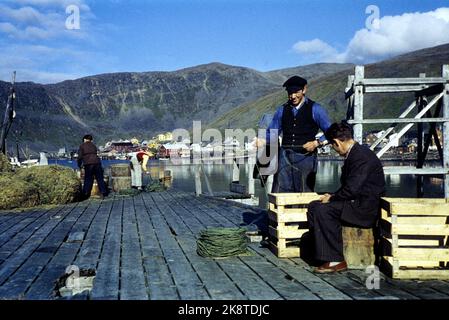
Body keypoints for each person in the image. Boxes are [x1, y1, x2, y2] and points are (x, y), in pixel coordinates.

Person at [307, 122, 385, 273]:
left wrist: (331, 198)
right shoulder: (356, 154)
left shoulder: (361, 157)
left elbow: (351, 190)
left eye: (333, 146)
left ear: (336, 142)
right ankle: (322, 253)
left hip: (364, 209)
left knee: (323, 211)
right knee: (314, 206)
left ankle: (336, 260)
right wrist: (332, 196)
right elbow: (349, 188)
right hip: (356, 203)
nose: (335, 150)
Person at [255, 75, 331, 192]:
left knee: (304, 194)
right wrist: (263, 140)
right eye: (290, 92)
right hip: (285, 158)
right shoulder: (282, 110)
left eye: (296, 92)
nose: (293, 96)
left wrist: (317, 143)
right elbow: (273, 132)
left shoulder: (316, 109)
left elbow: (331, 132)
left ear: (304, 89)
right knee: (279, 193)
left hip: (306, 159)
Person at [77, 134, 108, 199]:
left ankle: (85, 193)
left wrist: (79, 165)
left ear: (85, 139)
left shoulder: (82, 146)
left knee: (88, 179)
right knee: (99, 178)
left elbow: (79, 157)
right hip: (97, 162)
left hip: (88, 163)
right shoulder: (93, 145)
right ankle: (103, 192)